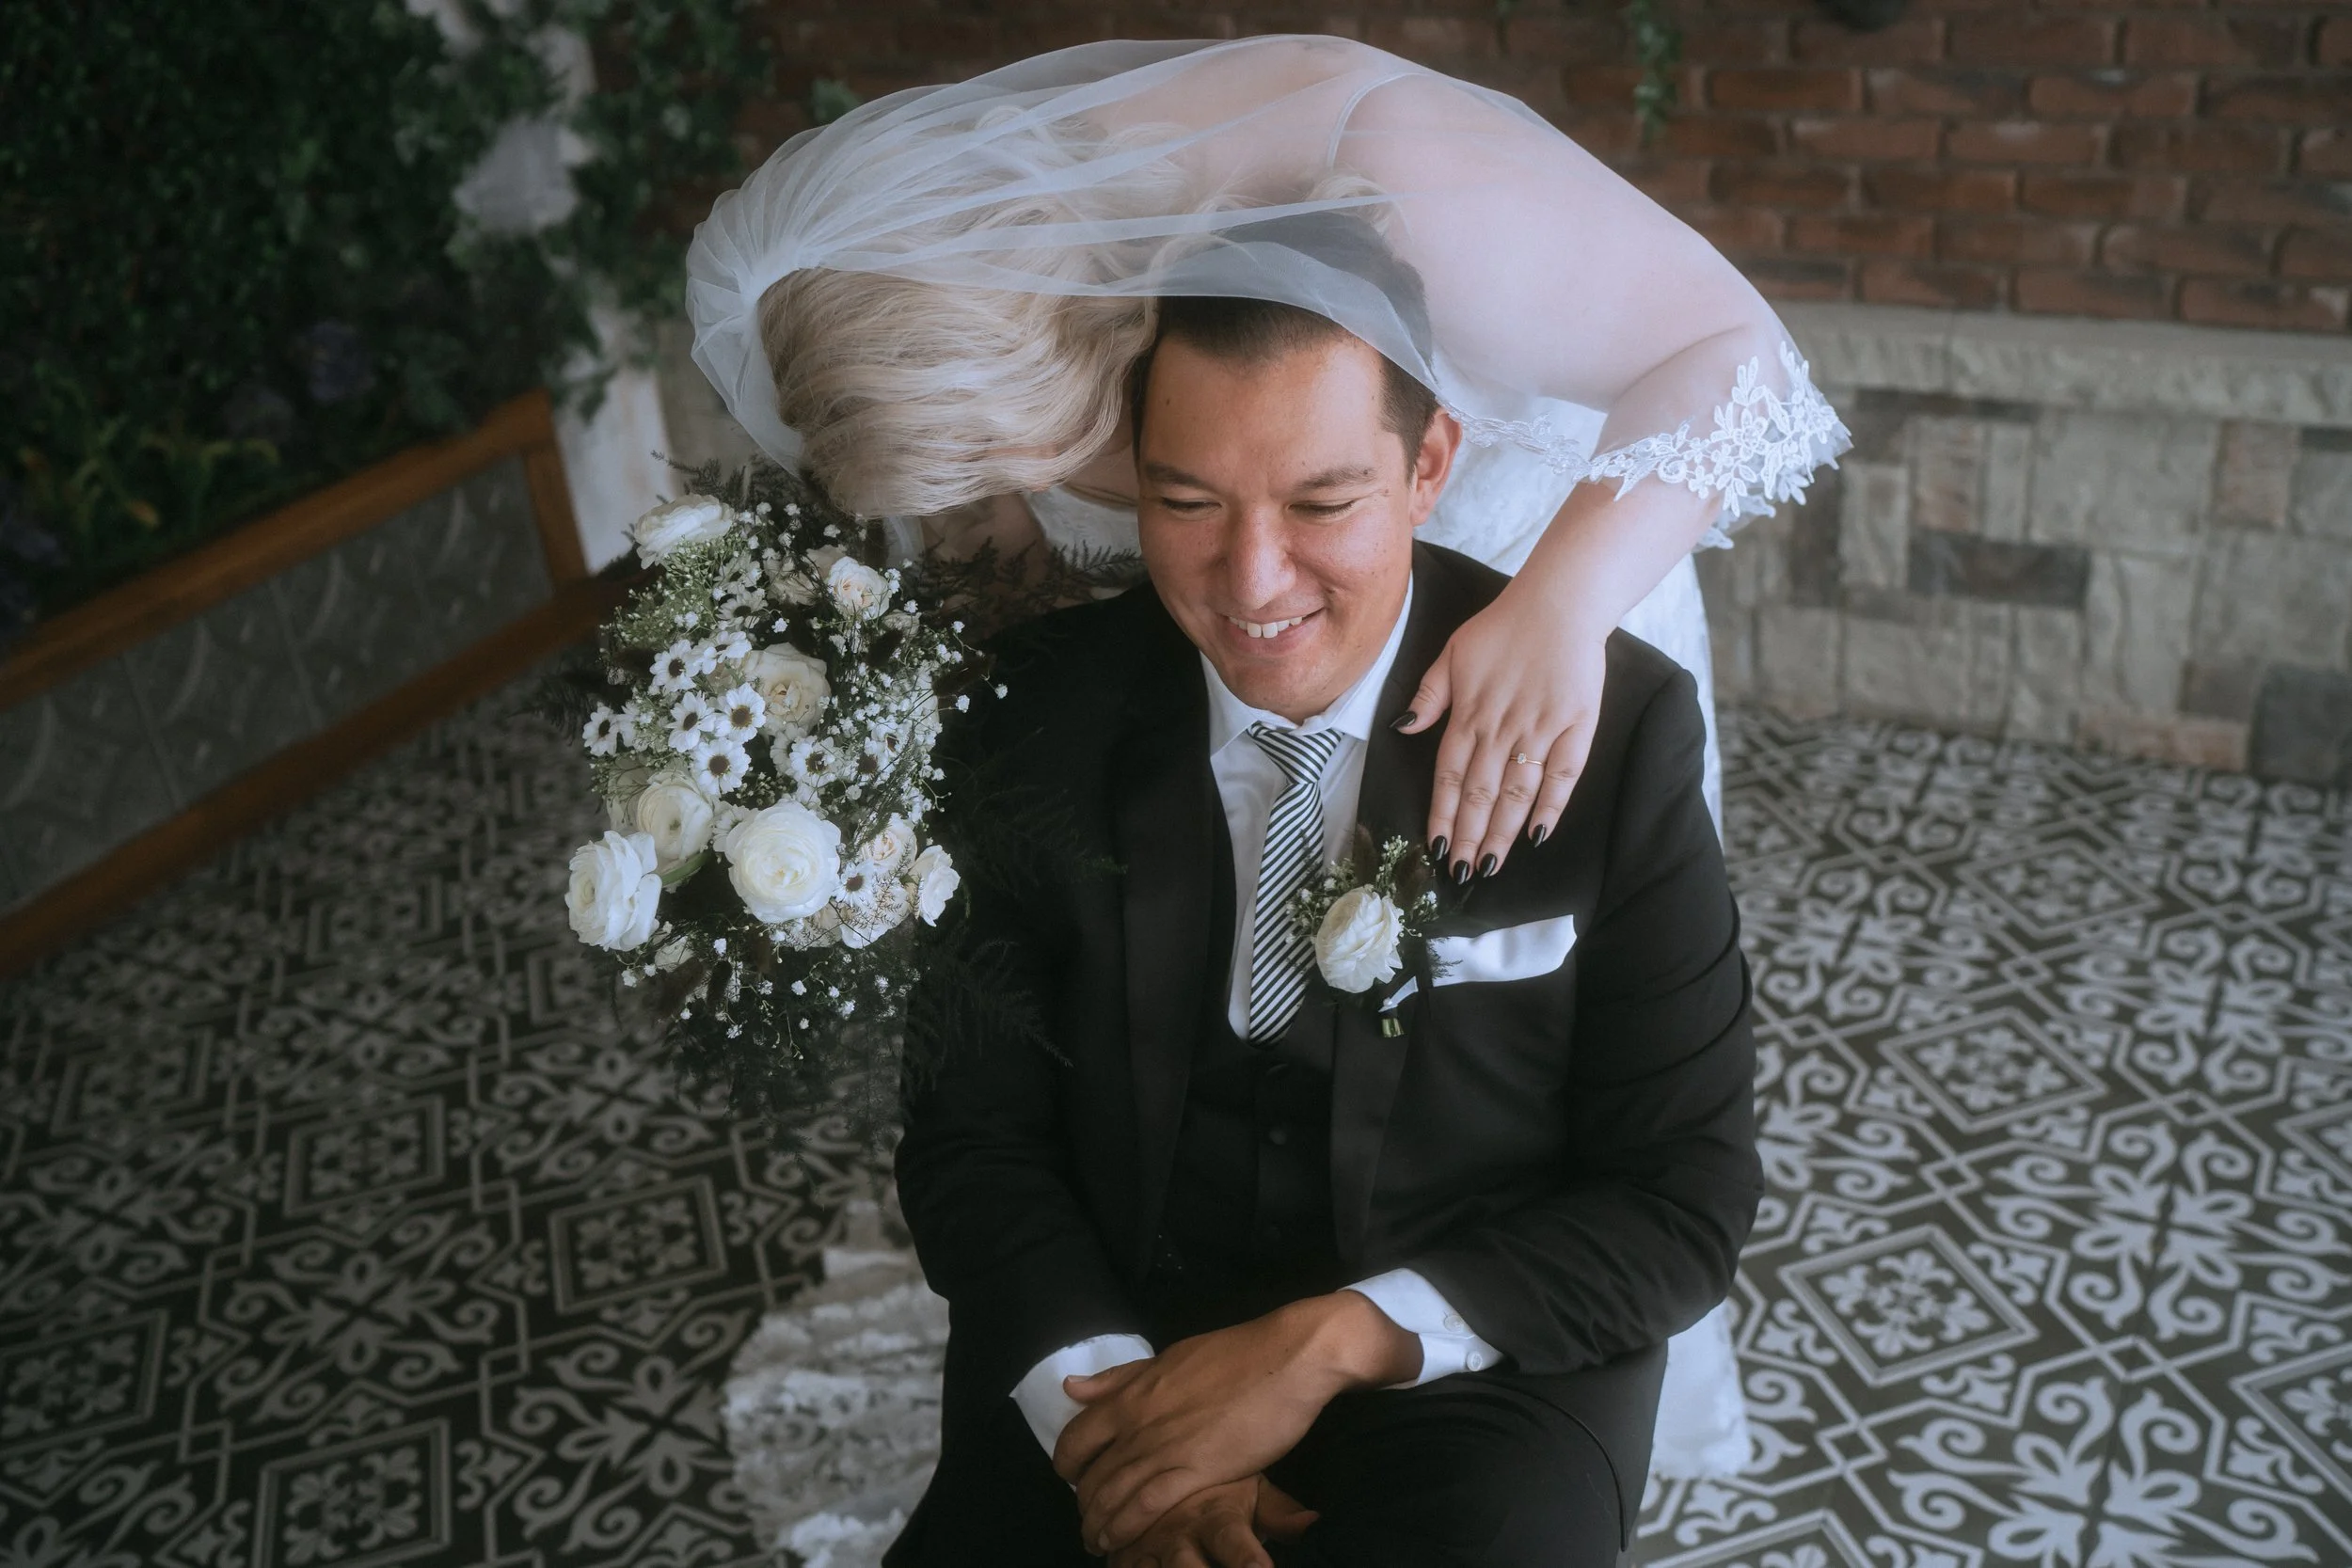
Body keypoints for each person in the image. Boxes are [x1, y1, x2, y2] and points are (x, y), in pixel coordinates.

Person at [886, 291, 1761, 1567]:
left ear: (1429, 468)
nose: (1252, 582)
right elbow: (974, 1137)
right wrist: (1129, 1440)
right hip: (1114, 1327)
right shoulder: (1032, 717)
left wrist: (1331, 1338)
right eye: (1187, 503)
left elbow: (1681, 1194)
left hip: (1472, 1350)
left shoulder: (1613, 739)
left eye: (1320, 503)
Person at [686, 35, 1850, 879]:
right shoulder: (931, 333)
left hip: (1522, 605)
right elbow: (1004, 573)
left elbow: (1733, 359)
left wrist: (1559, 607)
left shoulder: (1376, 156)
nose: (1066, 477)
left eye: (1038, 446)